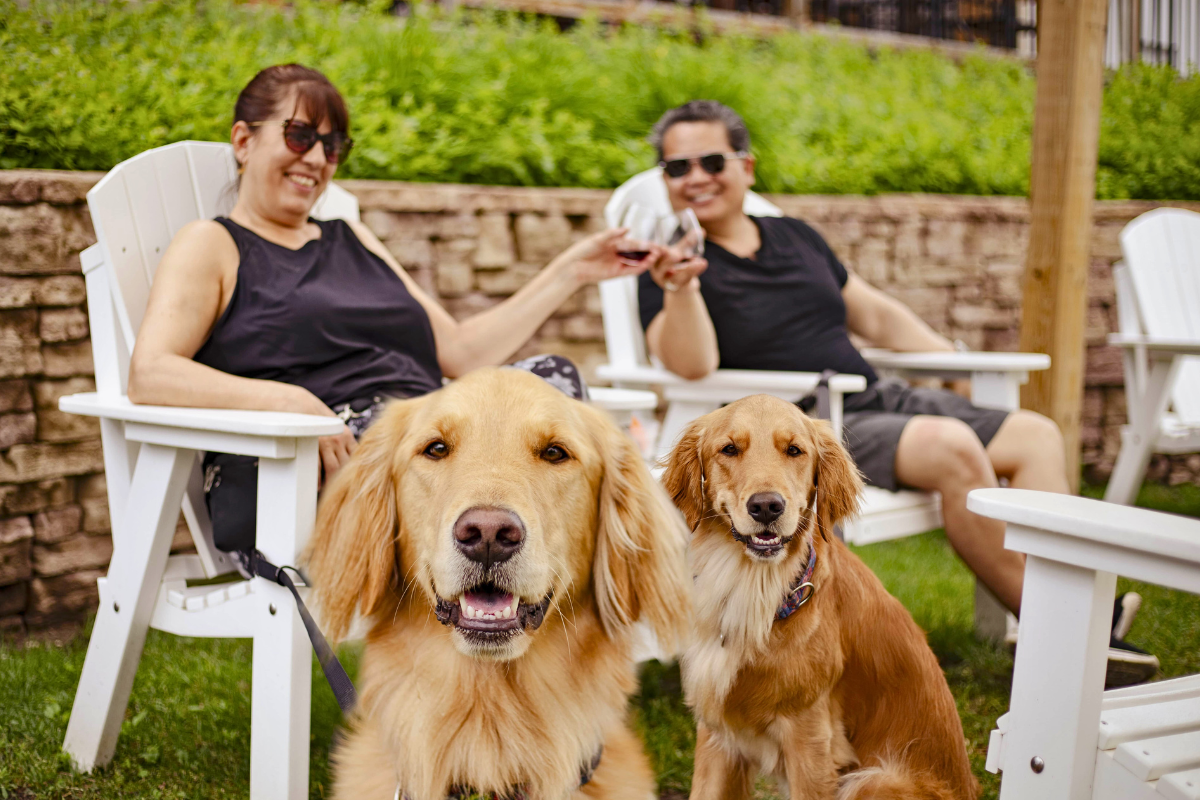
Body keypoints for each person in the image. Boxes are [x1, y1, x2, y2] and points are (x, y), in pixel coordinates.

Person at [637, 99, 1158, 686]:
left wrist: (957, 365)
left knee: (1037, 434)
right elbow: (692, 363)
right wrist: (681, 290)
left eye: (711, 160)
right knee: (953, 446)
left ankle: (1081, 616)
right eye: (678, 168)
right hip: (806, 426)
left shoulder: (795, 237)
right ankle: (1070, 636)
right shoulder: (669, 266)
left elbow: (877, 317)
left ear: (747, 167)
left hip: (878, 395)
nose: (696, 177)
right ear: (665, 183)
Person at [127, 64, 671, 572]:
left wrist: (570, 271)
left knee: (550, 379)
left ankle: (616, 559)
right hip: (299, 477)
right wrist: (288, 400)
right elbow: (150, 373)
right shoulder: (213, 244)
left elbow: (459, 352)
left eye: (333, 144)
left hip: (417, 441)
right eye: (298, 135)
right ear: (244, 141)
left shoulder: (351, 235)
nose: (316, 159)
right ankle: (643, 547)